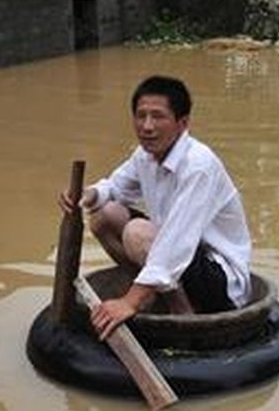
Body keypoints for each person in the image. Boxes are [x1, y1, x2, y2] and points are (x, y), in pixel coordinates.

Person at [58, 76, 252, 341]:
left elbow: (176, 242)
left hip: (220, 279)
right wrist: (85, 195)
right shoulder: (145, 155)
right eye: (141, 116)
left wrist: (129, 302)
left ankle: (183, 315)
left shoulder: (198, 166)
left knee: (136, 233)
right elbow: (114, 187)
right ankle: (154, 291)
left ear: (182, 124)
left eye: (158, 117)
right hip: (182, 263)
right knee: (104, 215)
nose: (147, 127)